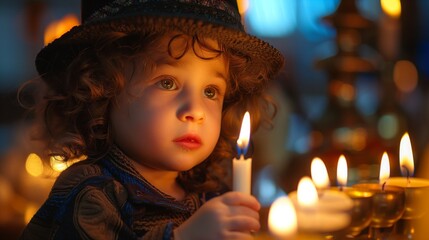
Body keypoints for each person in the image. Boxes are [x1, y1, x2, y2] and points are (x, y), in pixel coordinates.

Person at [19, 0, 284, 239]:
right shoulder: (90, 194)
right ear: (102, 89)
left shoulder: (211, 193)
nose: (196, 110)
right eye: (167, 83)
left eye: (210, 91)